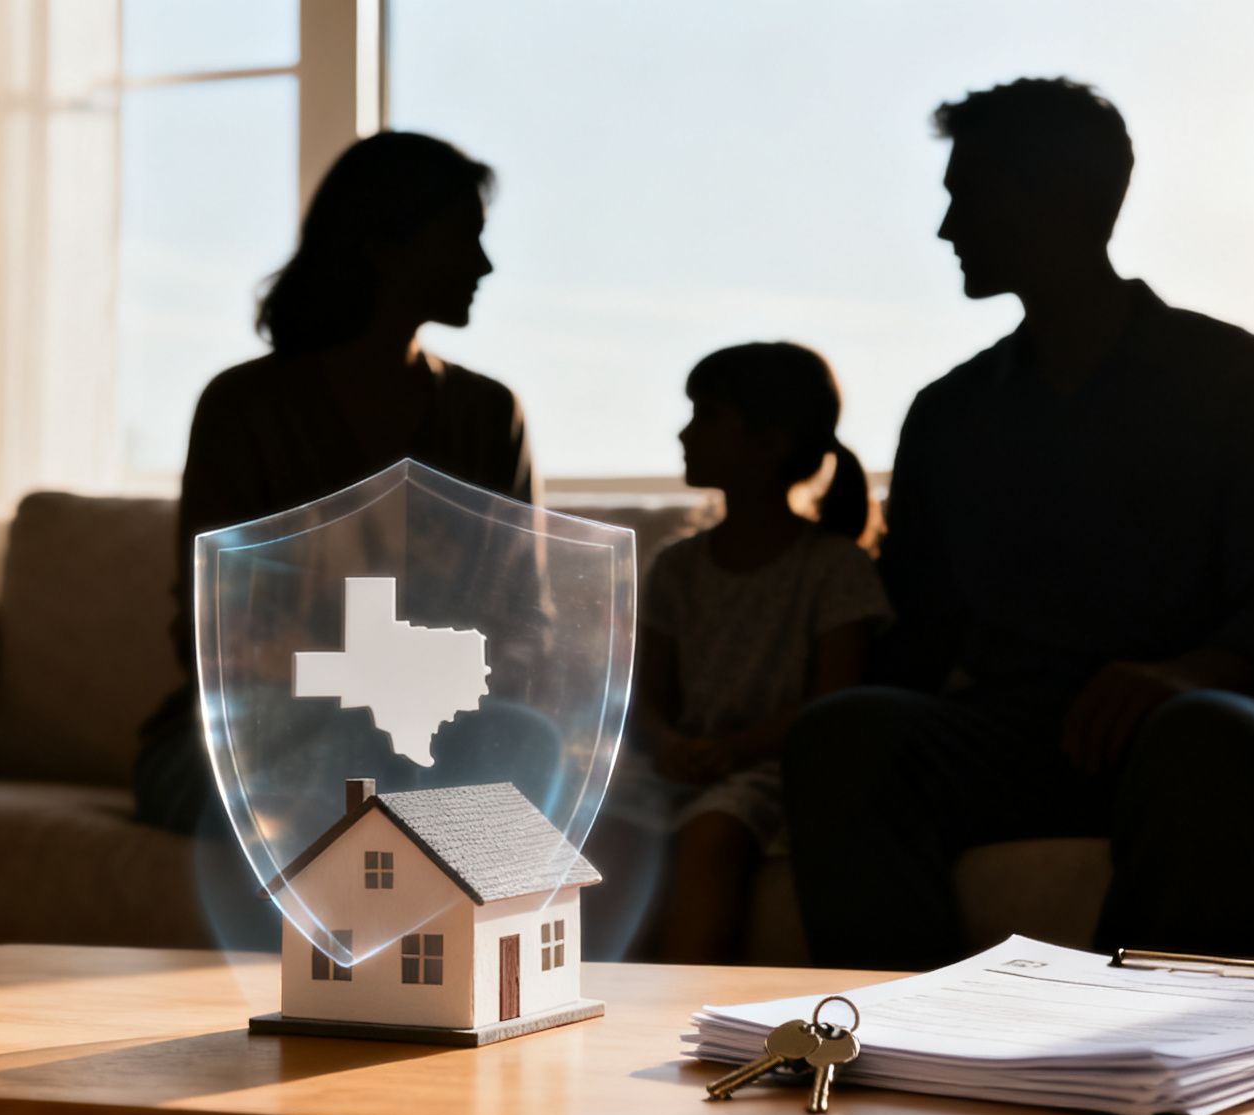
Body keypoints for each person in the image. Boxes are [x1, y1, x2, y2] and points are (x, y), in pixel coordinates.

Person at [782, 78, 1254, 970]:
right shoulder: (950, 414)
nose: (945, 230)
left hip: (1217, 738)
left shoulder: (1248, 381)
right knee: (846, 734)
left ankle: (1150, 1066)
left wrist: (1182, 674)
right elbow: (915, 632)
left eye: (963, 197)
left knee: (1207, 739)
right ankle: (907, 1054)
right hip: (1026, 742)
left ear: (1056, 198)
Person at [133, 131, 536, 838]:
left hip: (440, 735)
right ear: (386, 240)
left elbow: (524, 623)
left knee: (529, 746)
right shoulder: (245, 408)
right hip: (244, 738)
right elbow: (217, 633)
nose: (485, 263)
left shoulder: (487, 414)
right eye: (463, 237)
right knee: (348, 765)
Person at [631, 342, 890, 963]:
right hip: (681, 764)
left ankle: (674, 1020)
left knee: (713, 833)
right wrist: (669, 746)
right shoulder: (677, 568)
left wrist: (731, 751)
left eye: (707, 415)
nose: (685, 431)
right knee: (605, 829)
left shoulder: (834, 569)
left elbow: (832, 706)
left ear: (770, 442)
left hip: (771, 771)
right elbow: (643, 695)